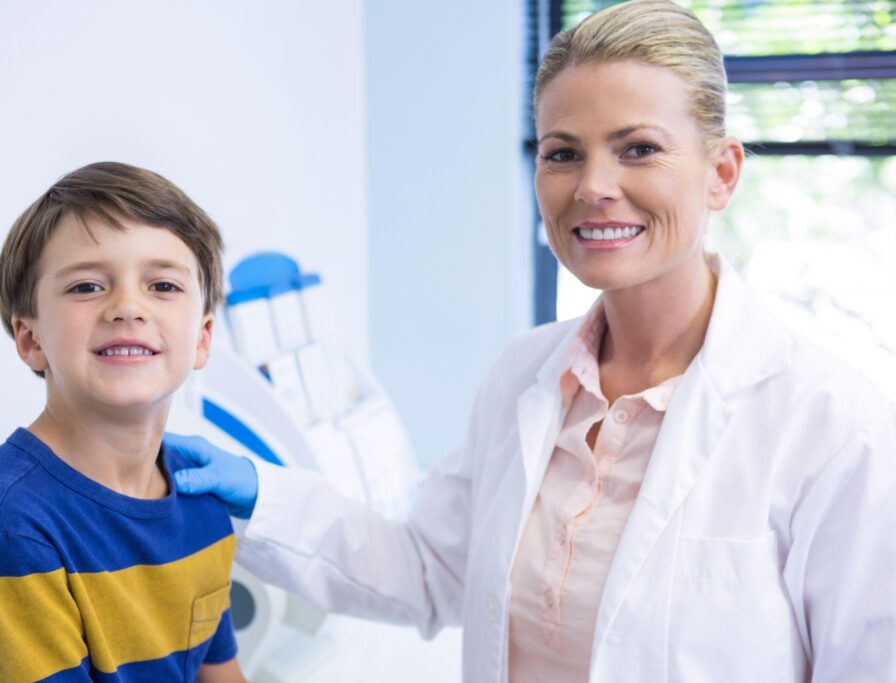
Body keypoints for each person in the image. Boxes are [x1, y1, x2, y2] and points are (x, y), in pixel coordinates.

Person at [170, 2, 896, 681]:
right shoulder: (524, 375)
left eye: (638, 148)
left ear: (722, 173)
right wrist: (260, 493)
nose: (594, 186)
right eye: (562, 153)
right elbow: (429, 568)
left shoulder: (830, 425)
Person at [0, 162, 247, 682]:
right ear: (31, 340)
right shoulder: (3, 529)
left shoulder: (203, 498)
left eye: (162, 285)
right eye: (87, 287)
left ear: (202, 338)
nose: (127, 306)